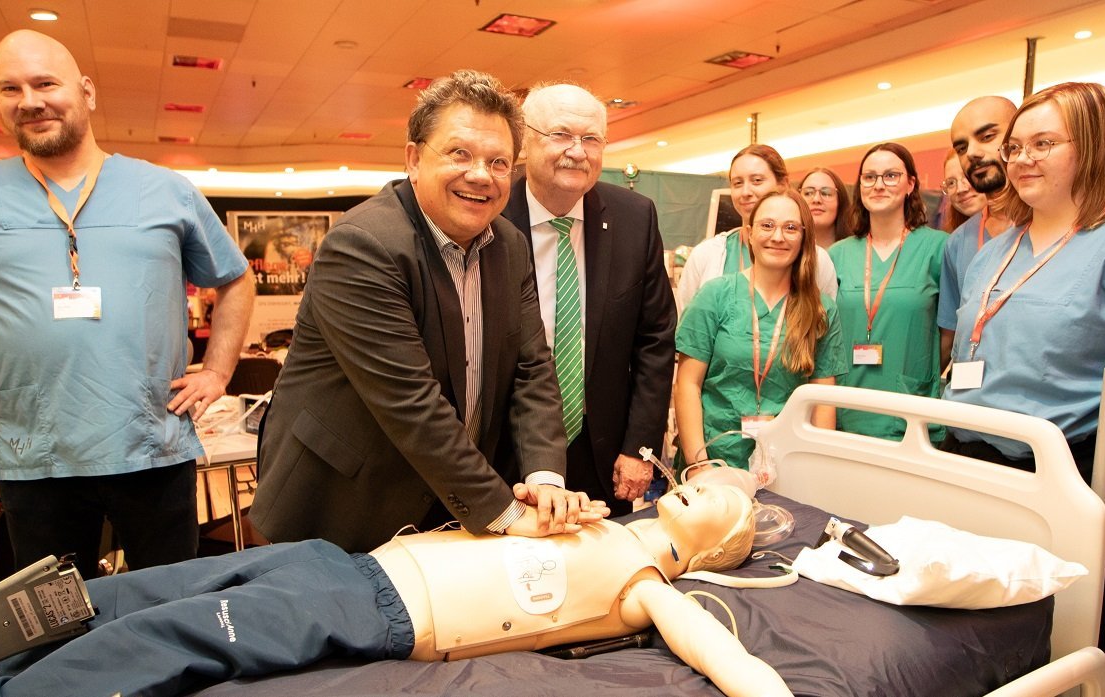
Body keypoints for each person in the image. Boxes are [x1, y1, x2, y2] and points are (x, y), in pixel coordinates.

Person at [0, 30, 255, 580]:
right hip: (34, 459)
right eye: (10, 88)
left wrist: (219, 371)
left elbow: (235, 280)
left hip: (151, 445)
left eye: (45, 83)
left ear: (86, 92)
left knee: (170, 610)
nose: (29, 100)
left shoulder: (165, 191)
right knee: (56, 627)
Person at [0, 481, 789, 697]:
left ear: (713, 545)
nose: (690, 484)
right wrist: (536, 501)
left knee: (181, 633)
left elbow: (719, 651)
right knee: (151, 587)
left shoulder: (643, 583)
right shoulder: (588, 515)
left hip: (380, 609)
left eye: (708, 496)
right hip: (350, 560)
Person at [252, 71, 605, 553]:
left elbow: (532, 369)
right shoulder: (364, 246)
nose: (480, 174)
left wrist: (544, 479)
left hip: (447, 511)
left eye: (498, 161)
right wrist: (504, 511)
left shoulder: (510, 246)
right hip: (339, 510)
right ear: (414, 159)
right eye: (459, 153)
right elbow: (411, 404)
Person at [940, 82, 1105, 697]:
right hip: (978, 469)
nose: (1021, 159)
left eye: (1044, 144)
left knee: (1079, 647)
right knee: (997, 645)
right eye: (1017, 146)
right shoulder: (992, 250)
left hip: (1076, 471)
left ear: (1093, 148)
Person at [501, 84, 676, 515]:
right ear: (525, 141)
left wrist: (640, 447)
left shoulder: (635, 217)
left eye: (591, 138)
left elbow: (655, 339)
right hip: (504, 450)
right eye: (561, 135)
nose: (577, 152)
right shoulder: (492, 214)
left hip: (603, 453)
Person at [675, 190, 847, 470]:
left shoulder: (819, 309)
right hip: (716, 457)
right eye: (767, 225)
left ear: (804, 237)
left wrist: (818, 469)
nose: (777, 236)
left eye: (790, 228)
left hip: (788, 463)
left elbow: (823, 402)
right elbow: (687, 384)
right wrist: (699, 465)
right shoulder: (716, 296)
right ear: (749, 234)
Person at [828, 143, 946, 443]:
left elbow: (950, 333)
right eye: (869, 177)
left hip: (910, 408)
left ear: (911, 184)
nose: (879, 185)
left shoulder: (938, 248)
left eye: (891, 176)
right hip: (847, 407)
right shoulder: (837, 255)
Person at [676, 144, 838, 314]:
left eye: (757, 181)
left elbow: (824, 324)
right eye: (737, 183)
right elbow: (687, 327)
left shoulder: (816, 260)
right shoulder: (706, 255)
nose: (746, 191)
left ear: (783, 184)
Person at [939, 96, 1017, 365]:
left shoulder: (1057, 228)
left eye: (986, 136)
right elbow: (950, 335)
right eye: (961, 147)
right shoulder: (958, 242)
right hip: (969, 394)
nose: (971, 152)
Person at [798, 167, 853, 249]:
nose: (816, 199)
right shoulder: (786, 253)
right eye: (808, 193)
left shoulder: (858, 250)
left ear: (840, 202)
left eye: (826, 193)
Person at [939, 149, 986, 232]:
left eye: (967, 176)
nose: (960, 189)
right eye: (951, 183)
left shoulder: (1014, 229)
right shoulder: (954, 240)